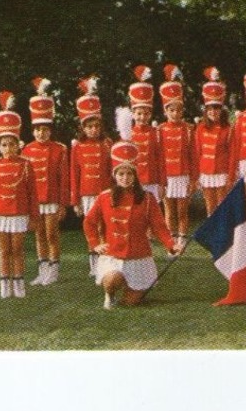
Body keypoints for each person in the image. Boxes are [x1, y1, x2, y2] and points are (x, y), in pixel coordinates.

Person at [82, 142, 180, 309]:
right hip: (113, 254)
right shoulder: (105, 197)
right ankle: (110, 293)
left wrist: (171, 245)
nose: (125, 178)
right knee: (112, 280)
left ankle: (131, 289)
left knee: (131, 303)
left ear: (135, 176)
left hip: (138, 254)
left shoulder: (147, 198)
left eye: (129, 174)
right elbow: (89, 222)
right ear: (115, 176)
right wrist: (95, 244)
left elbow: (159, 227)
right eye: (121, 174)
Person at [0, 92, 36, 299]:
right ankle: (5, 285)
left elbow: (33, 194)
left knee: (18, 249)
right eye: (4, 145)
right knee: (3, 250)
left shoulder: (26, 165)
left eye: (12, 144)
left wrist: (33, 216)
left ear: (18, 144)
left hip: (20, 213)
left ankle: (19, 283)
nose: (8, 148)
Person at [22, 78, 68, 286]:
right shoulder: (27, 150)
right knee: (38, 235)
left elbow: (63, 178)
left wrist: (62, 203)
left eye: (45, 129)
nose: (41, 133)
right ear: (33, 131)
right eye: (38, 129)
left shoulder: (59, 149)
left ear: (50, 130)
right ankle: (42, 270)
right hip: (34, 201)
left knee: (51, 234)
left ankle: (54, 270)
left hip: (51, 199)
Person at [68, 77, 112, 276]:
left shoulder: (107, 144)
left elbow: (113, 171)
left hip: (105, 192)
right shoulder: (78, 147)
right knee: (90, 228)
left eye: (96, 126)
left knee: (106, 227)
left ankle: (106, 262)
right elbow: (74, 174)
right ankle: (93, 266)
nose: (93, 130)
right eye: (89, 126)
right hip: (86, 194)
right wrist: (75, 200)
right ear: (83, 128)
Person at [155, 65, 195, 252]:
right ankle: (171, 244)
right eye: (172, 110)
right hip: (167, 176)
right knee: (169, 212)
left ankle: (182, 241)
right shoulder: (160, 130)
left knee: (182, 211)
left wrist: (194, 179)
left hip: (183, 175)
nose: (175, 114)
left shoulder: (188, 129)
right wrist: (160, 180)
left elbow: (193, 155)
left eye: (178, 110)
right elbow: (158, 156)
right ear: (166, 111)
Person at [194, 67, 234, 217]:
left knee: (222, 205)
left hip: (221, 171)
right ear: (206, 110)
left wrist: (230, 176)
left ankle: (224, 235)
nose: (213, 112)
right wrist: (197, 175)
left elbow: (232, 153)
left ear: (221, 110)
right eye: (210, 109)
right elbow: (198, 152)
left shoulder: (228, 128)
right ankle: (213, 235)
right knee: (210, 207)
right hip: (206, 171)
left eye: (216, 108)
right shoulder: (200, 128)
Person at [124, 66, 162, 203]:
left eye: (146, 113)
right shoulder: (128, 134)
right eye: (139, 113)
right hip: (134, 180)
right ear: (133, 114)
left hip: (152, 180)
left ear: (150, 114)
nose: (142, 117)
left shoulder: (155, 133)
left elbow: (160, 160)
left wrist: (161, 183)